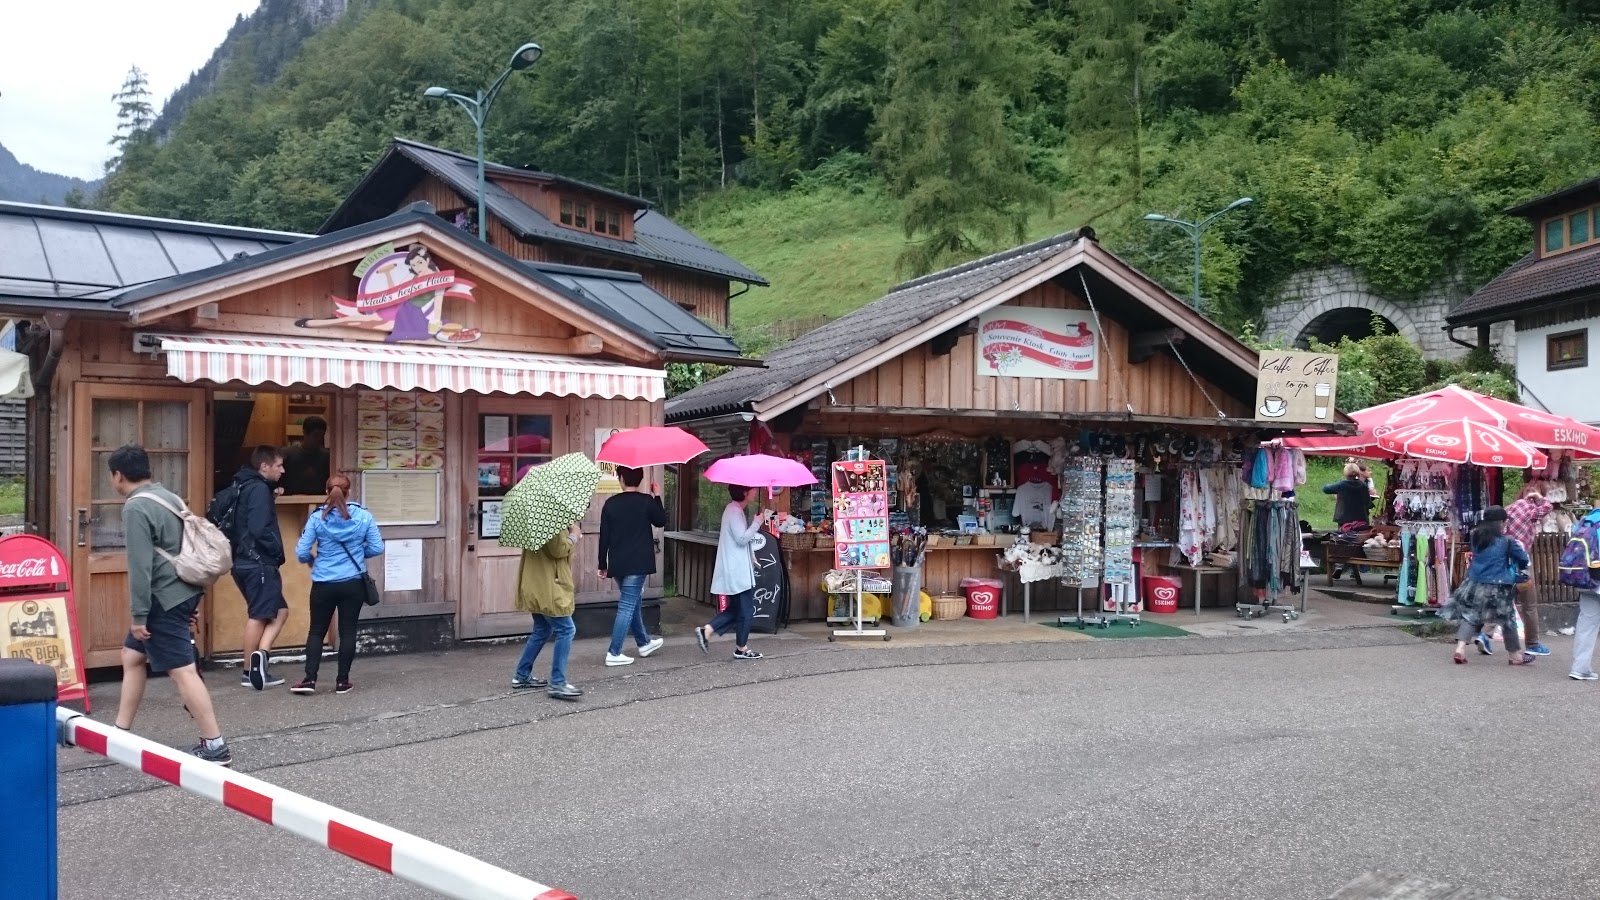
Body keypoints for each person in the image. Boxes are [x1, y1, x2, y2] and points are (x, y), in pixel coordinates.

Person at [107, 445, 232, 765]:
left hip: (162, 598)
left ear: (118, 475)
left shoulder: (136, 507)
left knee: (182, 671)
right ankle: (121, 731)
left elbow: (140, 566)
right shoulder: (168, 497)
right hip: (183, 591)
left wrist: (139, 615)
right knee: (132, 656)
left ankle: (215, 744)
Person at [290, 475, 384, 696]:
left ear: (326, 491)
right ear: (349, 492)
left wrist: (312, 560)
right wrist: (359, 554)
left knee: (316, 631)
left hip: (323, 582)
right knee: (348, 631)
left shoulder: (317, 518)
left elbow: (302, 552)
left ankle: (310, 680)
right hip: (353, 583)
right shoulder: (364, 516)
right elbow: (377, 547)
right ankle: (342, 682)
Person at [1443, 506, 1535, 666]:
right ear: (1501, 522)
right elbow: (1523, 559)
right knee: (1508, 620)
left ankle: (1460, 649)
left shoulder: (1475, 536)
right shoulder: (1507, 541)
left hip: (1475, 582)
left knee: (1471, 616)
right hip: (1499, 586)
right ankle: (1515, 656)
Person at [598, 466, 667, 667]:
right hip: (638, 563)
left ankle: (644, 643)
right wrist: (657, 495)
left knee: (633, 603)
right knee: (627, 606)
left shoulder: (610, 504)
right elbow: (661, 521)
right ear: (640, 479)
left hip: (618, 563)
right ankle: (614, 652)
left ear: (621, 479)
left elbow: (604, 537)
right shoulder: (646, 501)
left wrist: (602, 563)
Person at [232, 445, 288, 690]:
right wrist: (277, 550)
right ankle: (249, 671)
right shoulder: (258, 490)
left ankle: (260, 656)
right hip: (258, 563)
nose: (283, 470)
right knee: (259, 615)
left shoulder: (243, 485)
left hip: (242, 561)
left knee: (280, 611)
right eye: (279, 465)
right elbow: (259, 528)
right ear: (264, 466)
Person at [694, 485, 771, 661]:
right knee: (745, 610)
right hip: (737, 570)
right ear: (744, 492)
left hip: (737, 568)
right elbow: (742, 538)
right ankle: (741, 648)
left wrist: (751, 556)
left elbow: (740, 539)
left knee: (737, 608)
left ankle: (707, 631)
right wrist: (757, 523)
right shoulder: (734, 512)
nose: (754, 491)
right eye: (752, 489)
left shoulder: (734, 510)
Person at [512, 523, 583, 700]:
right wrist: (574, 535)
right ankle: (558, 683)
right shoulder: (551, 521)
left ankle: (521, 675)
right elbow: (557, 550)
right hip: (549, 586)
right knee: (566, 630)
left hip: (538, 584)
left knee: (542, 629)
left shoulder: (537, 519)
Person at [1502, 486, 1555, 657]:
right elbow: (1548, 507)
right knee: (1529, 604)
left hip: (1505, 561)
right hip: (1521, 562)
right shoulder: (1530, 509)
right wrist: (1540, 497)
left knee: (1502, 599)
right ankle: (1532, 643)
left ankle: (1484, 634)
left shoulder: (1509, 508)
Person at [281, 417, 331, 496]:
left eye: (322, 436)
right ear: (305, 433)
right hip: (291, 500)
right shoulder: (287, 454)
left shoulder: (327, 456)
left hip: (320, 500)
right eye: (316, 435)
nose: (319, 439)